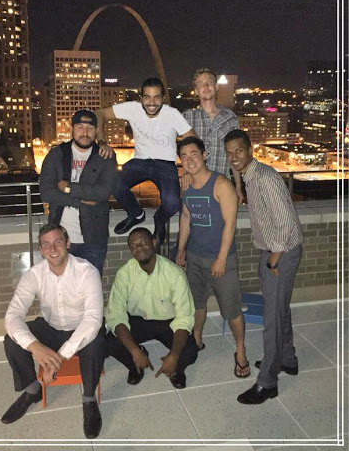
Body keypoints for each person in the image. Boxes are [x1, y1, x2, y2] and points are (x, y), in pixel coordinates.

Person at [1, 224, 105, 439]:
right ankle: (32, 390)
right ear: (41, 250)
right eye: (46, 244)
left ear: (67, 244)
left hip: (80, 327)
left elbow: (93, 320)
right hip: (51, 327)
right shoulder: (34, 275)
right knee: (12, 339)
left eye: (58, 242)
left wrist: (58, 357)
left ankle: (89, 399)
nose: (53, 248)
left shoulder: (87, 272)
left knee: (95, 339)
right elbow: (12, 315)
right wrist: (35, 347)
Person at [224, 129, 303, 404]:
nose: (234, 157)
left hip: (280, 253)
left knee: (272, 318)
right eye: (229, 153)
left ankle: (268, 383)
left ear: (250, 150)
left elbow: (285, 223)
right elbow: (238, 172)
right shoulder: (250, 174)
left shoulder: (266, 178)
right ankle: (287, 359)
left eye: (239, 151)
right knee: (279, 308)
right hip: (274, 251)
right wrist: (236, 179)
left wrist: (273, 260)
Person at [176, 136, 250, 378]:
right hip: (195, 256)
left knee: (231, 309)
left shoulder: (221, 185)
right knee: (197, 303)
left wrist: (221, 258)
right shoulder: (186, 184)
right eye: (184, 156)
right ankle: (197, 339)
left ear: (204, 155)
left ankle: (240, 350)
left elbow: (230, 225)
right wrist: (181, 249)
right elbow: (186, 216)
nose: (190, 160)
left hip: (221, 259)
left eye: (194, 154)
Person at [96, 78, 196, 249]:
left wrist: (188, 169)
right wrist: (102, 141)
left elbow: (192, 139)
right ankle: (136, 214)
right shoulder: (132, 108)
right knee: (113, 181)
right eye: (147, 97)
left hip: (165, 164)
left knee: (172, 203)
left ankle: (160, 219)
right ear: (141, 98)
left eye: (157, 97)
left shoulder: (172, 114)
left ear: (163, 98)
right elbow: (100, 113)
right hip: (140, 161)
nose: (152, 102)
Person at [105, 227, 199, 389]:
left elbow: (184, 317)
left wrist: (173, 356)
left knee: (190, 350)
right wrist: (135, 351)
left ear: (154, 242)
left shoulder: (174, 274)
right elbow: (116, 315)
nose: (138, 248)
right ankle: (135, 365)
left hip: (168, 322)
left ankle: (176, 369)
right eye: (133, 246)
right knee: (110, 342)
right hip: (138, 320)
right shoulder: (124, 274)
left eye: (143, 242)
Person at [39, 109, 117, 274]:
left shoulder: (105, 156)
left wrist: (69, 188)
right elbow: (46, 192)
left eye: (90, 128)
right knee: (61, 284)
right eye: (80, 127)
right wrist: (79, 201)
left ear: (96, 130)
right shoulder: (57, 154)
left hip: (94, 237)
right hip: (60, 238)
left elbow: (103, 192)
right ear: (72, 129)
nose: (85, 133)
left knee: (92, 283)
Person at [182, 68, 243, 202]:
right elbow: (183, 152)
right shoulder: (187, 117)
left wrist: (238, 186)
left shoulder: (230, 118)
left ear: (216, 87)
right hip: (195, 184)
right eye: (200, 84)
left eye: (209, 82)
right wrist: (185, 172)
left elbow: (234, 154)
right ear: (196, 91)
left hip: (223, 185)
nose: (205, 87)